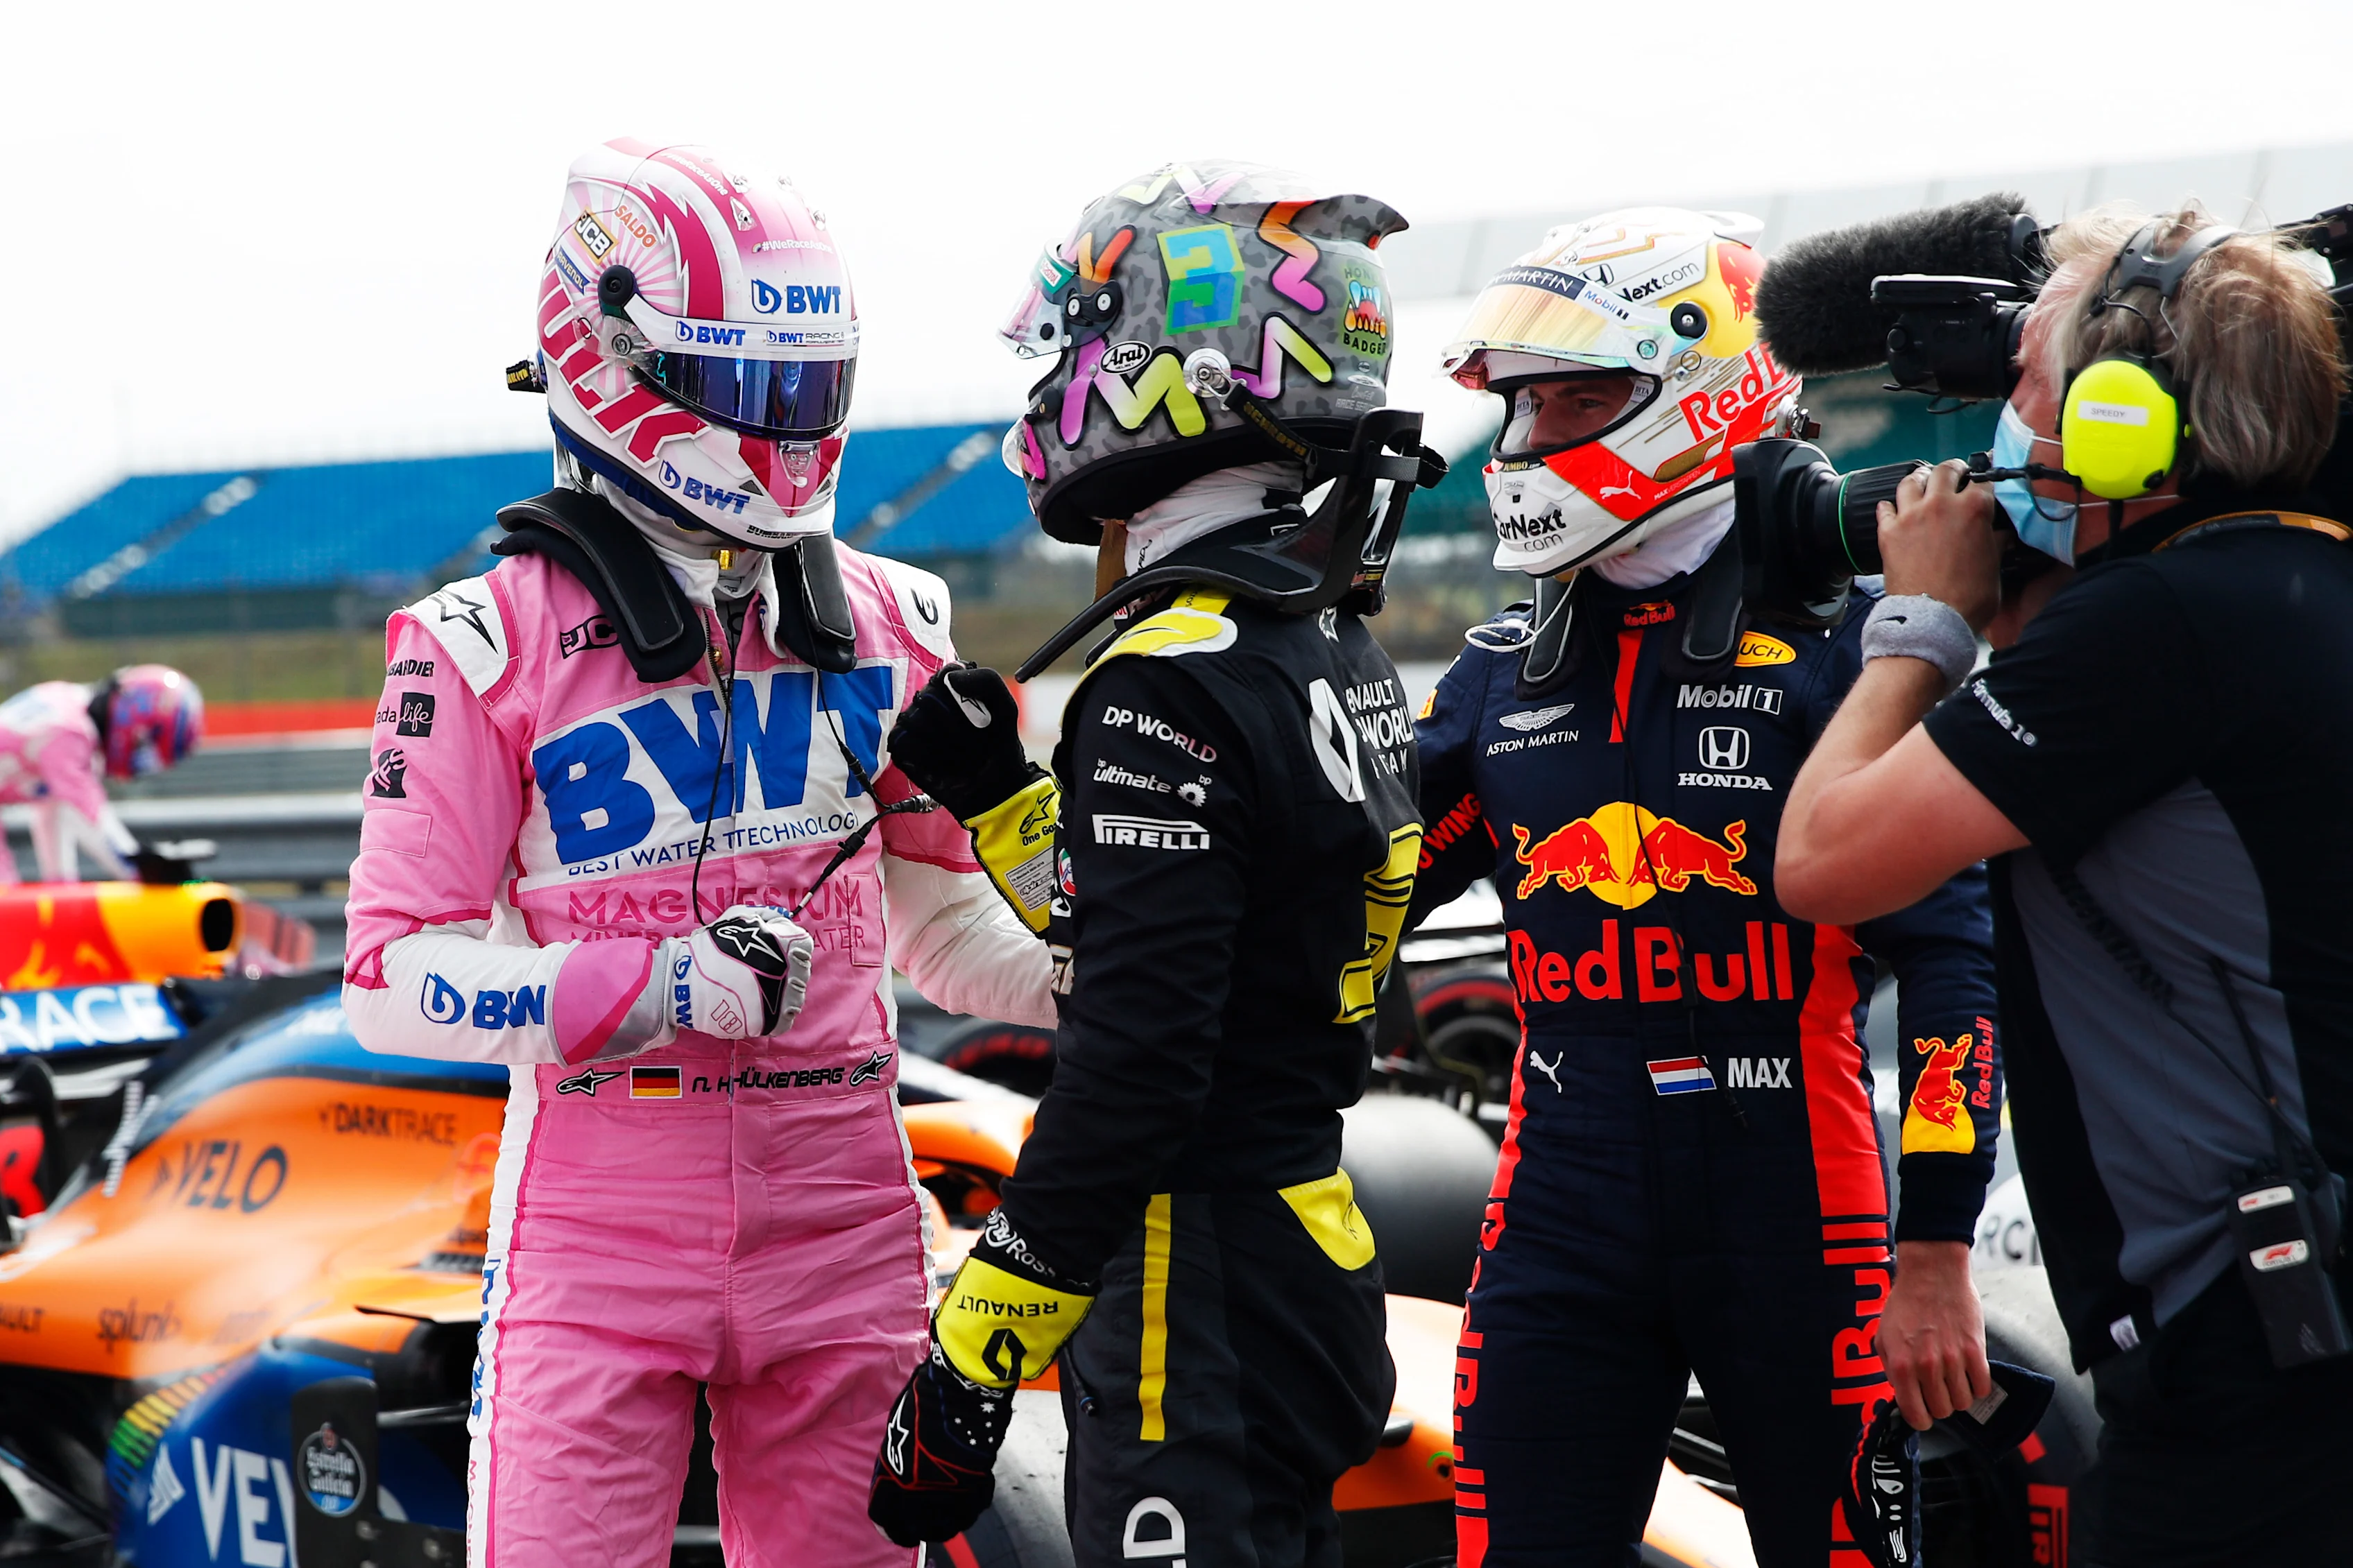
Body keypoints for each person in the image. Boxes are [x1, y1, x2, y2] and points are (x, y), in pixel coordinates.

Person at [341, 139, 1054, 1568]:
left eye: (803, 390)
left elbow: (937, 925)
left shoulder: (898, 618)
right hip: (598, 1218)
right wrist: (657, 982)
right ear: (608, 356)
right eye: (746, 391)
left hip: (847, 1202)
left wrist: (1105, 978)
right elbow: (387, 979)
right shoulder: (480, 641)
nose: (779, 426)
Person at [1407, 207, 2005, 1567]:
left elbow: (1955, 961)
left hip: (1804, 1205)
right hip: (1562, 1195)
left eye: (1578, 394)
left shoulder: (1854, 646)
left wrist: (1936, 1250)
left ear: (1695, 387)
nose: (1535, 434)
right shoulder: (1498, 672)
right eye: (1524, 400)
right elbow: (1354, 893)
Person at [866, 160, 1435, 1567]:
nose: (1059, 368)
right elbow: (1186, 925)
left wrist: (970, 1357)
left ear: (1172, 367)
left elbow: (1136, 1063)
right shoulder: (1321, 633)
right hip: (1309, 1237)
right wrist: (1004, 796)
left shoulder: (1162, 678)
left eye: (1080, 331)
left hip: (1199, 1281)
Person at [1778, 206, 2353, 1566]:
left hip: (2254, 1344)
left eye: (2022, 381)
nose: (1991, 432)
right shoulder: (2288, 575)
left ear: (2116, 418)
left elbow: (1823, 857)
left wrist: (1917, 621)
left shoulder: (2159, 627)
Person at [0, 665, 203, 882]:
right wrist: (142, 873)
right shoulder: (71, 732)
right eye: (141, 744)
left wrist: (60, 885)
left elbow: (55, 808)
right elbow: (89, 815)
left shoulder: (67, 703)